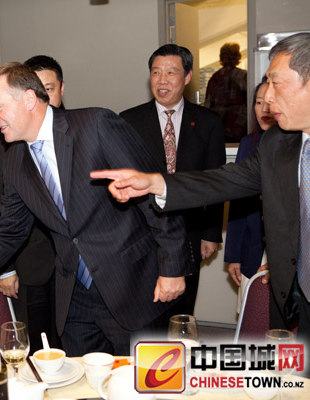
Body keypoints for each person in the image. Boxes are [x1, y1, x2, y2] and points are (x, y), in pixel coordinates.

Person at [90, 32, 310, 375]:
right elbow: (224, 180)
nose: (266, 97)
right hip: (297, 297)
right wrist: (156, 182)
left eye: (275, 82)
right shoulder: (277, 144)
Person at [0, 62, 191, 357]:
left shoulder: (95, 125)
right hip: (74, 298)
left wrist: (173, 266)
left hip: (132, 286)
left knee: (142, 378)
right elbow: (8, 232)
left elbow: (156, 193)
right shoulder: (14, 160)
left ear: (28, 99)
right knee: (82, 378)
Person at [120, 44, 225, 317]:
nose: (162, 80)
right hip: (141, 231)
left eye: (171, 72)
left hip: (190, 230)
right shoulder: (128, 121)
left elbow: (215, 182)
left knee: (182, 310)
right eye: (156, 72)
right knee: (144, 310)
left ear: (187, 76)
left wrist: (210, 234)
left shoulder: (208, 122)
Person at [0, 55, 63, 353]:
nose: (43, 96)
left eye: (49, 89)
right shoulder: (5, 142)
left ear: (61, 89)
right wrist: (5, 269)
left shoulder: (79, 132)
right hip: (31, 264)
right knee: (36, 345)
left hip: (73, 267)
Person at [224, 77, 276, 313]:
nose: (263, 109)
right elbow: (239, 202)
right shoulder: (248, 143)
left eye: (269, 102)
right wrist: (233, 254)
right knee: (251, 318)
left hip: (284, 251)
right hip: (252, 247)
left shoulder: (297, 144)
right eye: (258, 102)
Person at [204, 42, 248, 143]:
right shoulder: (243, 76)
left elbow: (208, 102)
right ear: (237, 56)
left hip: (219, 123)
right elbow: (249, 100)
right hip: (240, 124)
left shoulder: (215, 77)